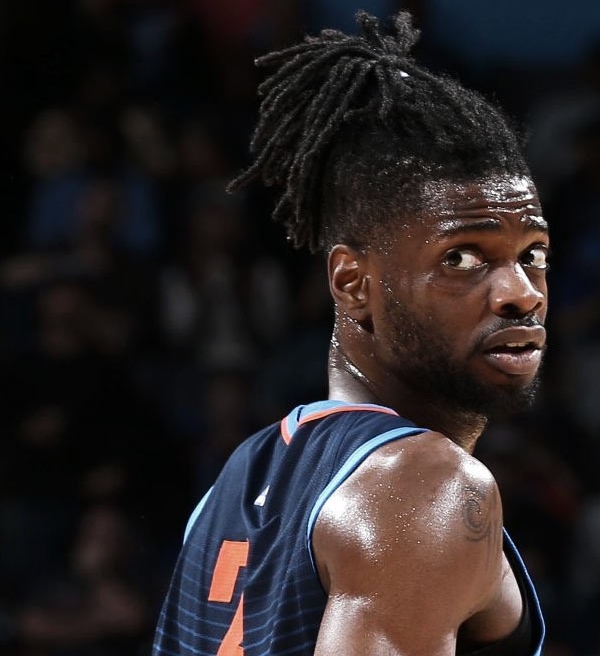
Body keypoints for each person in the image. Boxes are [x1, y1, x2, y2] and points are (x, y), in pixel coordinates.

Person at [152, 10, 548, 656]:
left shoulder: (236, 480)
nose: (521, 292)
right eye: (461, 258)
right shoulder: (427, 487)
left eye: (532, 253)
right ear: (353, 283)